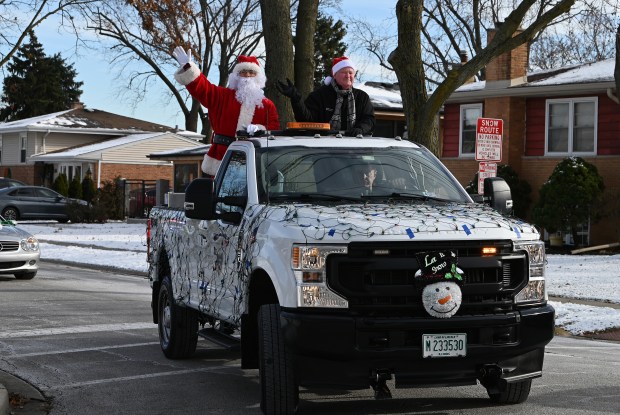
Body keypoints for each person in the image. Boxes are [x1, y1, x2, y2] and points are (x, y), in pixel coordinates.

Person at [172, 47, 280, 176]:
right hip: (222, 157)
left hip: (253, 159)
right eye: (243, 72)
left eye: (252, 72)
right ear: (236, 76)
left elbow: (274, 130)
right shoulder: (222, 96)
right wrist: (188, 68)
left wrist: (259, 129)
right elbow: (203, 89)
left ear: (258, 77)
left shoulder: (267, 105)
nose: (247, 75)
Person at [276, 56, 375, 136]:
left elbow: (369, 119)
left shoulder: (362, 97)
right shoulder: (319, 96)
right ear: (335, 75)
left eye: (351, 72)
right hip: (325, 147)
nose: (348, 76)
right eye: (344, 72)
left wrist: (360, 129)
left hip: (354, 146)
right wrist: (296, 98)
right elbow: (306, 120)